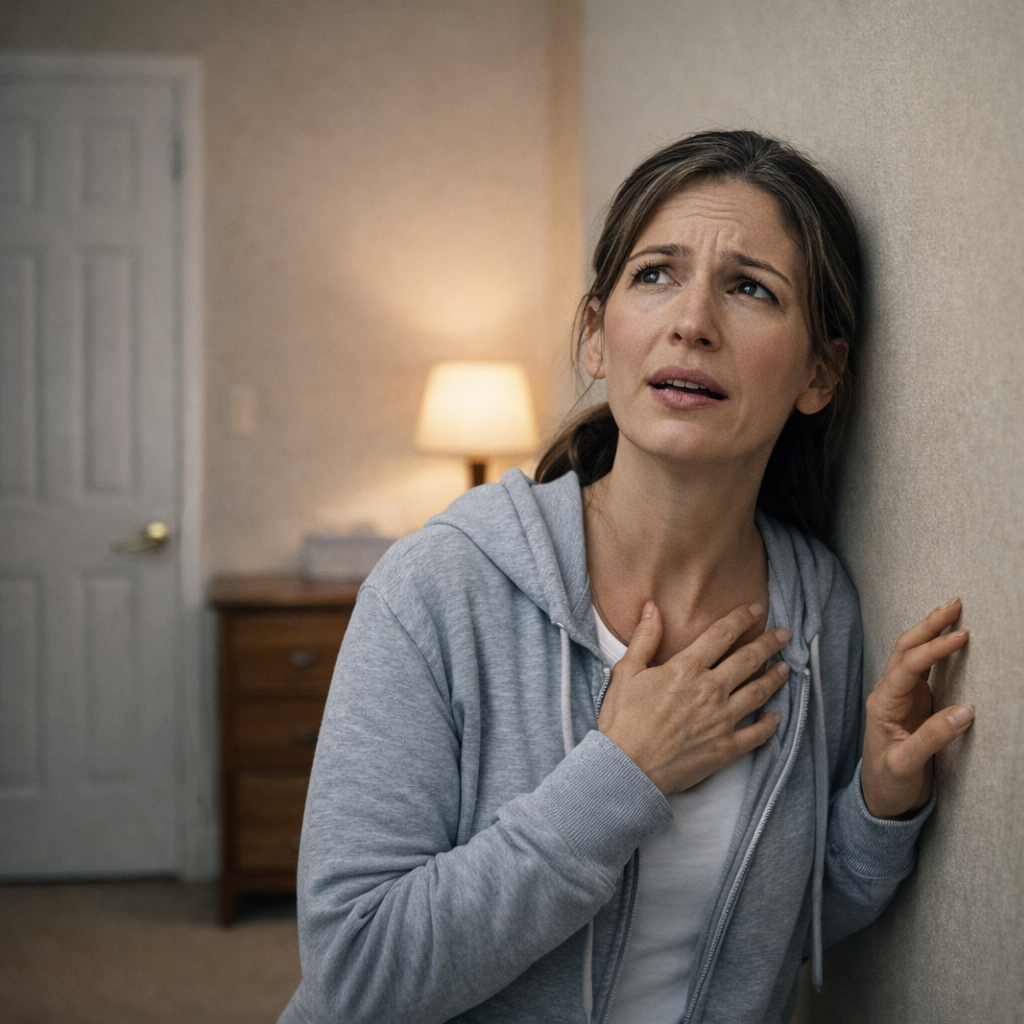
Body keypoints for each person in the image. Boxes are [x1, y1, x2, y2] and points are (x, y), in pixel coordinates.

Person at [279, 130, 975, 1024]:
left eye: (751, 289)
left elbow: (783, 930)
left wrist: (879, 802)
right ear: (597, 337)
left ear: (820, 372)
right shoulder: (436, 588)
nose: (692, 322)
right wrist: (621, 776)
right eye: (655, 275)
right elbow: (355, 973)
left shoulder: (815, 610)